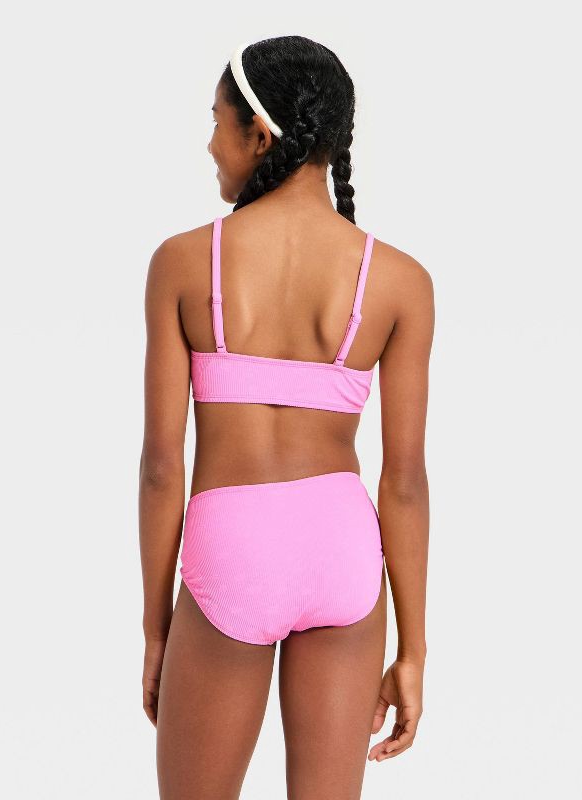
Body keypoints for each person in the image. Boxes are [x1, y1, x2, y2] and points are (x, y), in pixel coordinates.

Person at [139, 35, 434, 799]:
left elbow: (162, 466)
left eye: (217, 122)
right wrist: (413, 648)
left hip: (233, 545)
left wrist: (156, 629)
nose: (210, 143)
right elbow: (404, 481)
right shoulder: (400, 279)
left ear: (260, 134)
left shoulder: (183, 262)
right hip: (343, 547)